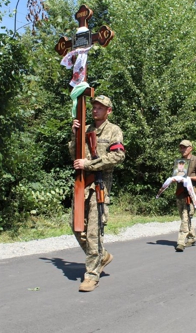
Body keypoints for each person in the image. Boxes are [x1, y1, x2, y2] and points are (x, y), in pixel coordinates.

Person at [69, 95, 125, 292]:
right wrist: (75, 135)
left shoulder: (113, 130)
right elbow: (74, 156)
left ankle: (91, 275)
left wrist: (90, 164)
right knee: (75, 226)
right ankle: (101, 256)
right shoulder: (85, 129)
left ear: (108, 111)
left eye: (100, 108)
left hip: (100, 185)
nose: (95, 110)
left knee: (94, 230)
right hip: (82, 184)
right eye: (94, 107)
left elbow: (118, 155)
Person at [174, 140, 196, 252]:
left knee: (186, 216)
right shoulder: (179, 161)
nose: (182, 149)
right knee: (184, 217)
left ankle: (180, 242)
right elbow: (177, 175)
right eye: (181, 147)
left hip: (190, 193)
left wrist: (189, 178)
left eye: (185, 147)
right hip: (180, 192)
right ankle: (191, 237)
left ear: (190, 148)